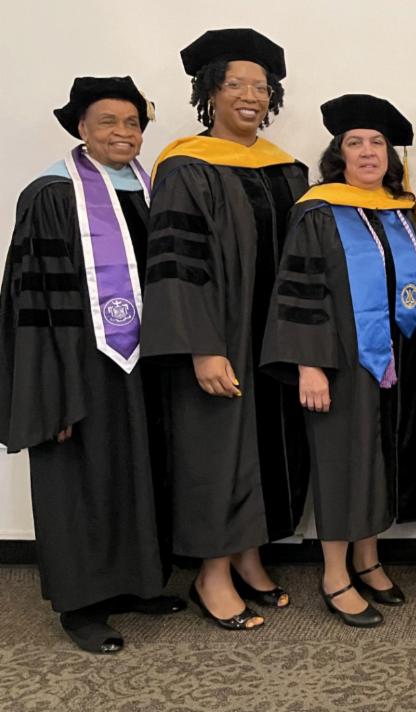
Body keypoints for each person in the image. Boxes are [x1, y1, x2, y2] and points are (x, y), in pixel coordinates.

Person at [0, 76, 185, 654]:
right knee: (80, 476)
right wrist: (48, 390)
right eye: (108, 121)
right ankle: (81, 605)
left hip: (141, 366)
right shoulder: (52, 195)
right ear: (81, 128)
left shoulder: (153, 191)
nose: (122, 132)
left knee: (141, 472)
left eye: (132, 123)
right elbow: (32, 301)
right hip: (79, 367)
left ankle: (134, 583)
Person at [141, 28, 309, 630]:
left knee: (265, 445)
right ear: (208, 92)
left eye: (261, 87)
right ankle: (211, 574)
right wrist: (203, 348)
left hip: (275, 334)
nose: (250, 96)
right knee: (215, 449)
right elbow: (174, 264)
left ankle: (248, 555)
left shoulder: (289, 170)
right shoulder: (186, 166)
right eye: (234, 83)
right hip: (220, 335)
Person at [261, 94, 416, 627]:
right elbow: (300, 291)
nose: (369, 151)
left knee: (376, 455)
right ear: (340, 155)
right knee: (339, 461)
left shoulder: (402, 212)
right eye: (356, 143)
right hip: (337, 360)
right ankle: (335, 574)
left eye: (378, 143)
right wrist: (309, 364)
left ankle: (368, 558)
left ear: (390, 156)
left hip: (392, 359)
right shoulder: (317, 211)